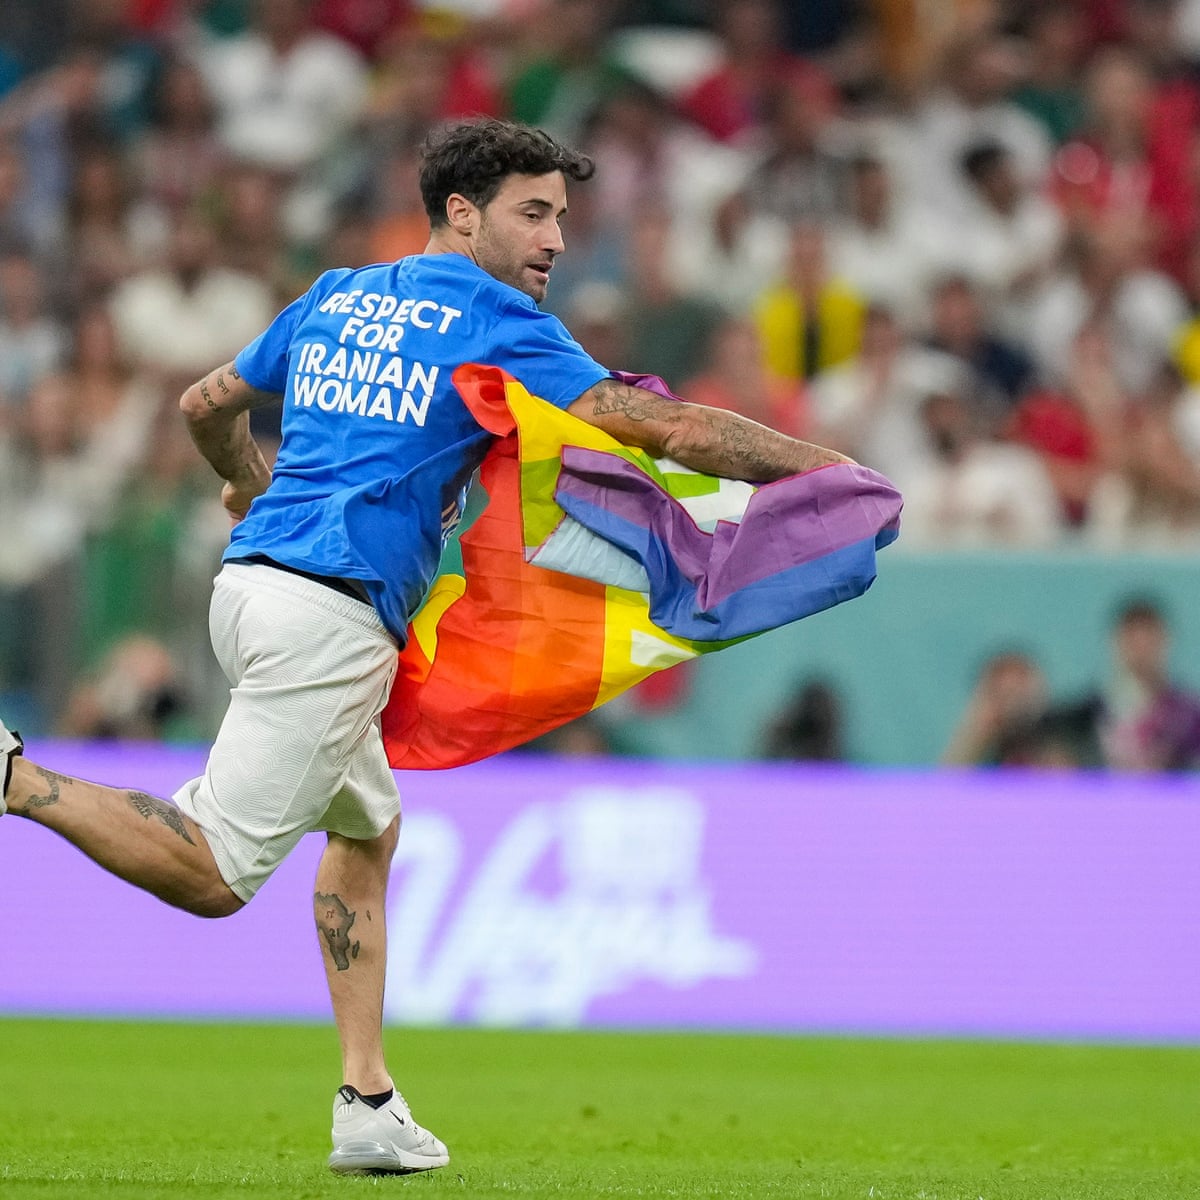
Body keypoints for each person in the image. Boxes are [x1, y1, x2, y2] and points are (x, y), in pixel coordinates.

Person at [0, 116, 852, 1176]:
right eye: (533, 213)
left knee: (367, 827)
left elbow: (205, 403)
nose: (553, 238)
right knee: (213, 871)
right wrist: (826, 474)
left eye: (563, 217)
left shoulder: (337, 294)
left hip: (257, 587)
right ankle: (14, 775)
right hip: (328, 618)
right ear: (461, 211)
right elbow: (662, 429)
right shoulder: (495, 319)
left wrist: (245, 482)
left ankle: (367, 1100)